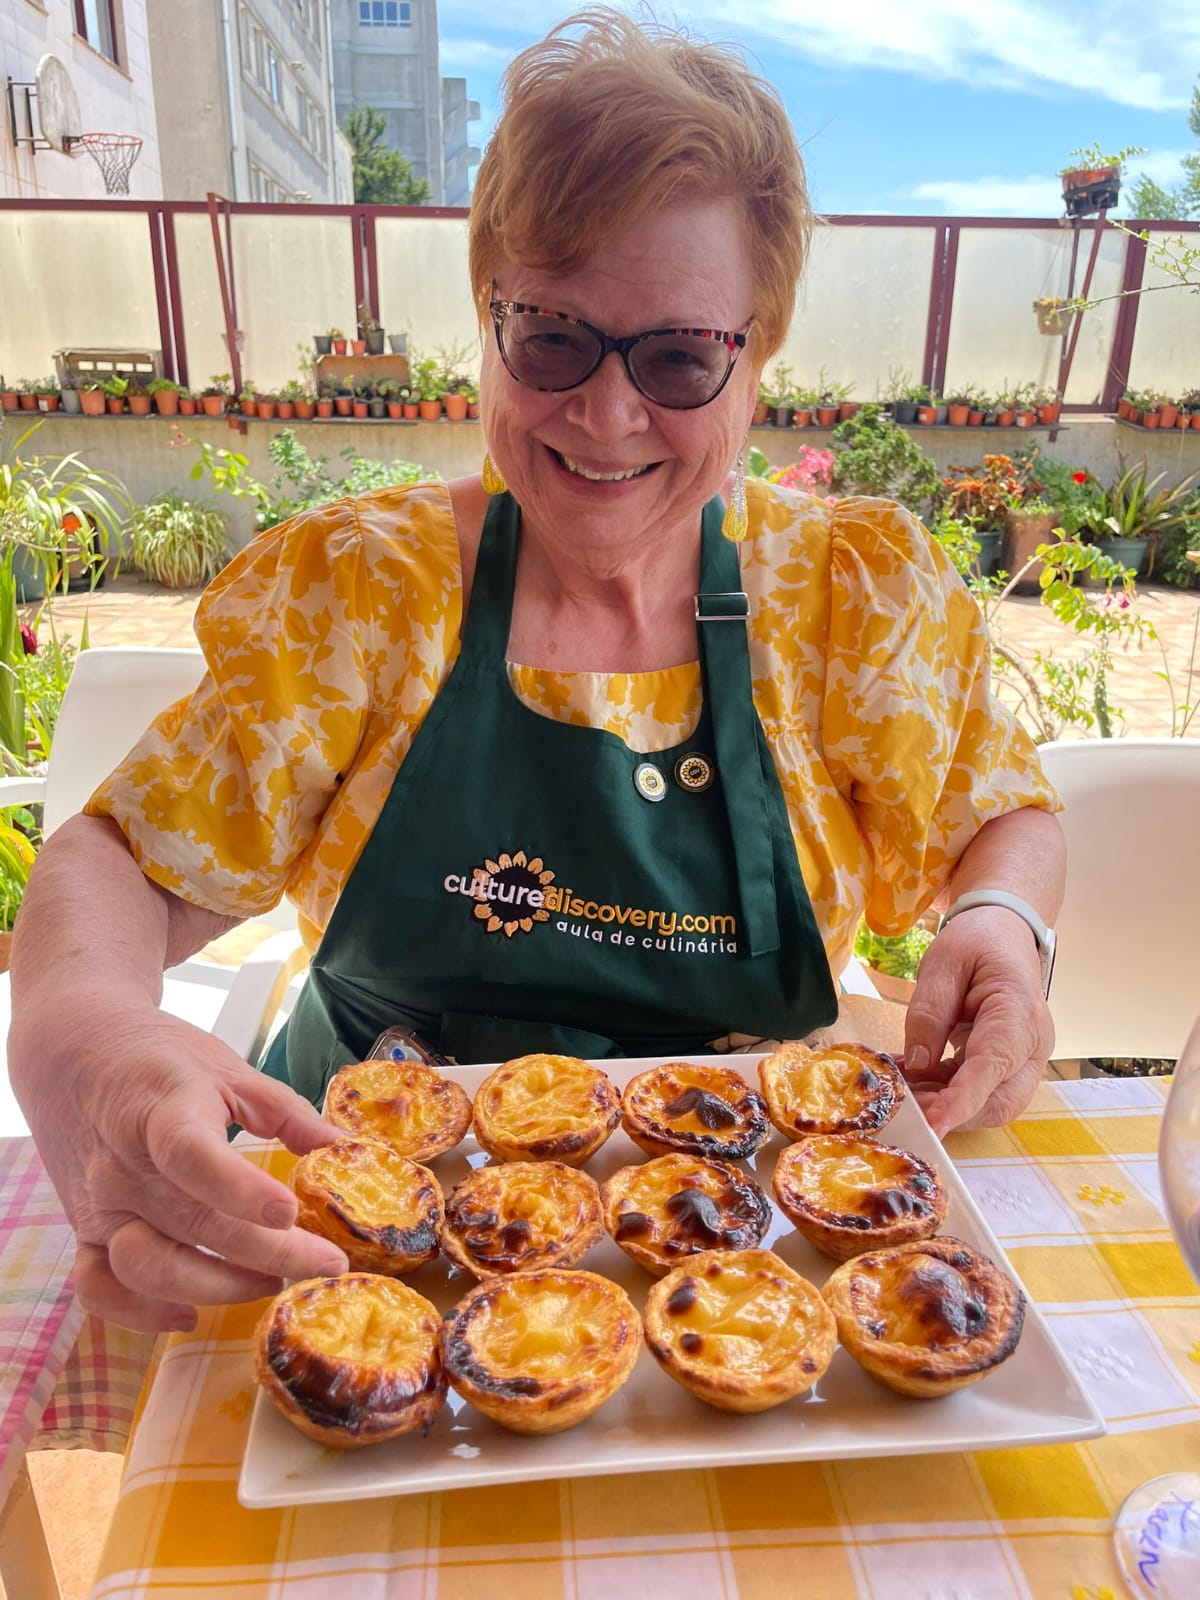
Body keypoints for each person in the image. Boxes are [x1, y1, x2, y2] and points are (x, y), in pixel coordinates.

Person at [8, 9, 1063, 1335]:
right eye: (553, 336)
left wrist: (1003, 924)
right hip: (352, 1233)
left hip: (737, 1246)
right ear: (488, 321)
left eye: (678, 355)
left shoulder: (849, 598)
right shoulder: (365, 591)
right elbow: (120, 859)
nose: (607, 414)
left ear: (759, 357)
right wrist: (78, 1029)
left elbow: (999, 810)